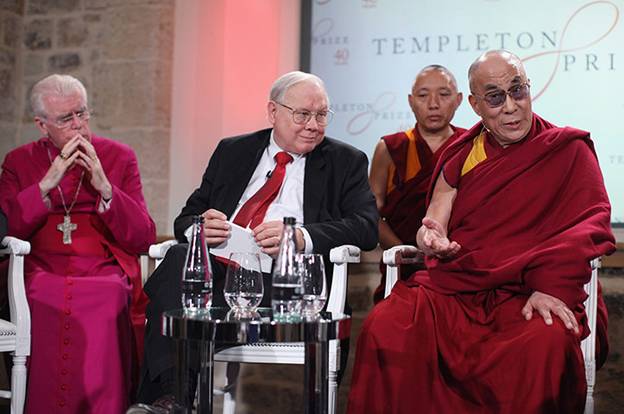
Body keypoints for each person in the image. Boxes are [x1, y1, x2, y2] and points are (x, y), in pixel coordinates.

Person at [347, 50, 615, 413]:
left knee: (545, 342)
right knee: (385, 324)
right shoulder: (462, 153)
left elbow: (589, 225)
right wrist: (432, 239)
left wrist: (551, 285)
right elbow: (434, 222)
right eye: (495, 97)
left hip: (528, 290)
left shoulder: (567, 149)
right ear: (474, 105)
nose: (510, 107)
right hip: (463, 287)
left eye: (518, 91)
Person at [135, 71, 378, 409]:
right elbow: (186, 219)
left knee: (177, 287)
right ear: (273, 112)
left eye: (322, 115)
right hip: (220, 279)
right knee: (179, 256)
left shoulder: (345, 160)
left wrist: (300, 236)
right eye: (302, 114)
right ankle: (173, 397)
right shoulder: (233, 151)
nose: (313, 124)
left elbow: (366, 228)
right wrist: (200, 229)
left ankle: (171, 400)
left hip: (287, 288)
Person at [0, 74, 156, 413]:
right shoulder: (18, 161)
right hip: (39, 265)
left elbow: (143, 235)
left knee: (108, 294)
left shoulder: (119, 156)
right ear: (42, 125)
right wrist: (46, 184)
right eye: (66, 119)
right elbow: (8, 228)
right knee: (38, 296)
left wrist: (104, 187)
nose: (79, 126)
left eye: (82, 114)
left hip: (102, 267)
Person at [369, 65, 465, 303]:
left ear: (459, 100)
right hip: (403, 265)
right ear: (411, 102)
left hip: (458, 261)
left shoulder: (470, 145)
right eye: (423, 95)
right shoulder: (391, 148)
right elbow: (371, 213)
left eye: (444, 94)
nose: (433, 103)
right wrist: (405, 252)